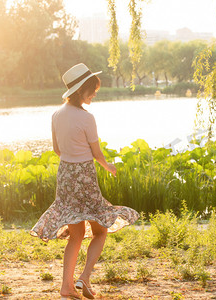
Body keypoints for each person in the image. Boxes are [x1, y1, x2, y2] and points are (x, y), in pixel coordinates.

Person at [30, 63, 140, 300]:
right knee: (100, 231)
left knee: (77, 233)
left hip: (65, 176)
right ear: (81, 91)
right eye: (92, 90)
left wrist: (72, 161)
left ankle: (66, 287)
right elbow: (97, 153)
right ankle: (84, 278)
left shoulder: (56, 115)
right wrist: (107, 166)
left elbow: (57, 149)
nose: (95, 94)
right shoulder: (86, 118)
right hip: (85, 177)